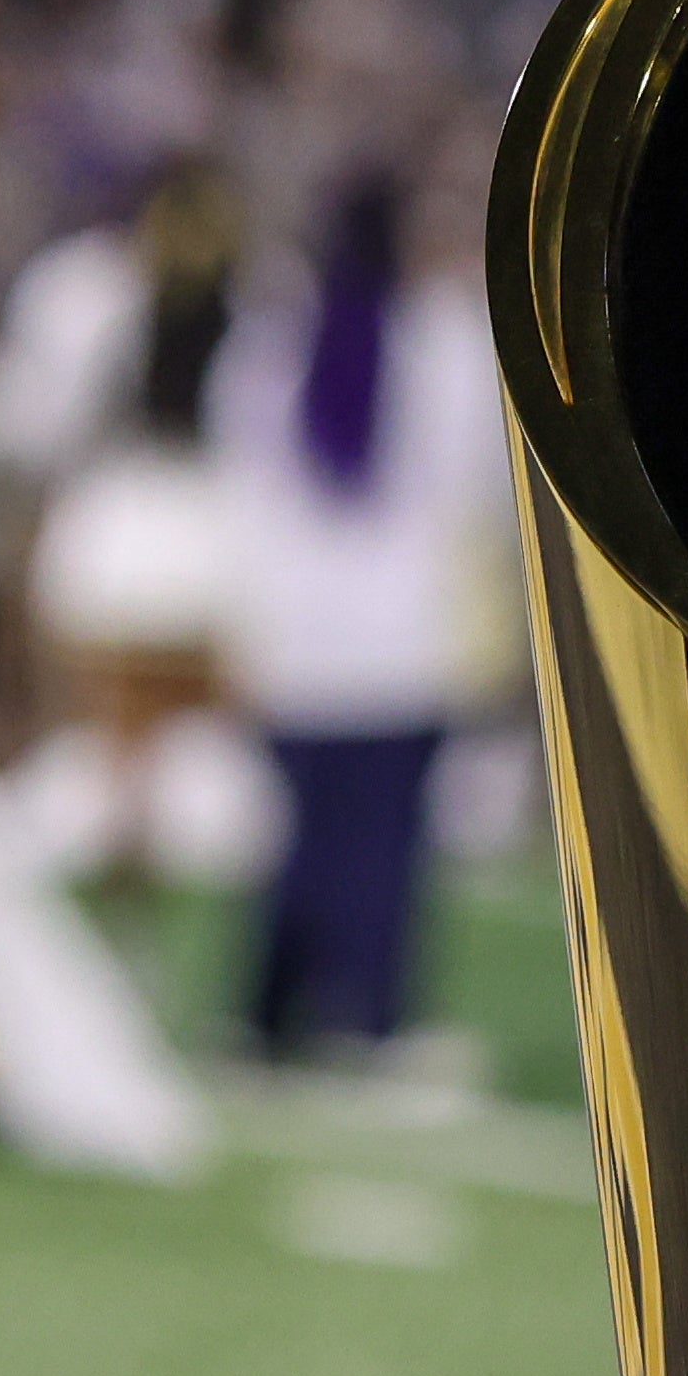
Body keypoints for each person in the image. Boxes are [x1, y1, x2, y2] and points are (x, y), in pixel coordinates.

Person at [215, 162, 513, 1064]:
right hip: (402, 638)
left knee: (298, 838)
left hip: (293, 637)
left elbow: (239, 481)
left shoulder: (272, 342)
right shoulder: (446, 340)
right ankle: (371, 1019)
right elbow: (482, 491)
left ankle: (268, 1019)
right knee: (384, 847)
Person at [0, 161, 250, 892]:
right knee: (144, 724)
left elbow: (33, 429)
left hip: (142, 523)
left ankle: (126, 821)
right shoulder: (86, 293)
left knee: (129, 722)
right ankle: (126, 821)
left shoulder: (80, 292)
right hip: (175, 522)